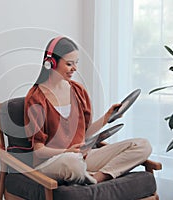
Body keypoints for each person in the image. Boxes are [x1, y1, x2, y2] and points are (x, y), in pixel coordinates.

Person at [24, 36, 152, 184]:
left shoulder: (78, 90)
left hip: (81, 157)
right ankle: (83, 174)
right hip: (53, 162)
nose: (75, 68)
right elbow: (39, 150)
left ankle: (98, 177)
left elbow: (84, 132)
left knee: (142, 145)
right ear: (51, 63)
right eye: (69, 64)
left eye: (76, 63)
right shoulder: (36, 98)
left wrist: (108, 117)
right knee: (72, 163)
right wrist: (66, 152)